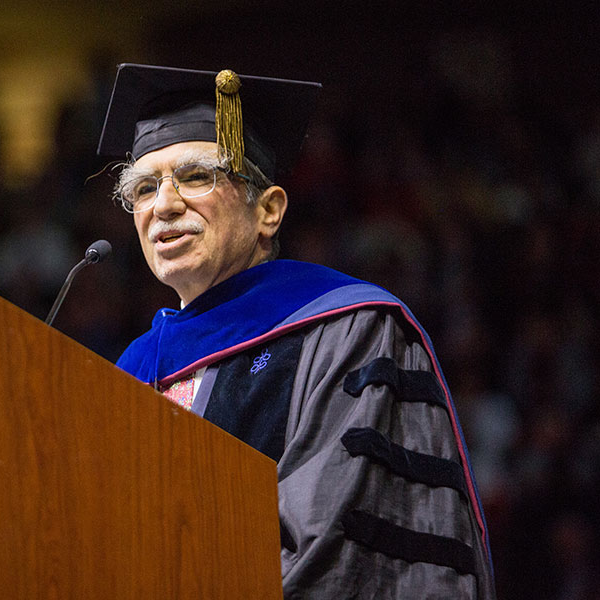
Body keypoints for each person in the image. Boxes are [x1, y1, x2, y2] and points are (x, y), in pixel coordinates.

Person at [97, 63, 497, 599]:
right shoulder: (130, 371)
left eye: (196, 176)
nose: (164, 205)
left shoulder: (347, 328)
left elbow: (341, 546)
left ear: (268, 210)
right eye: (144, 188)